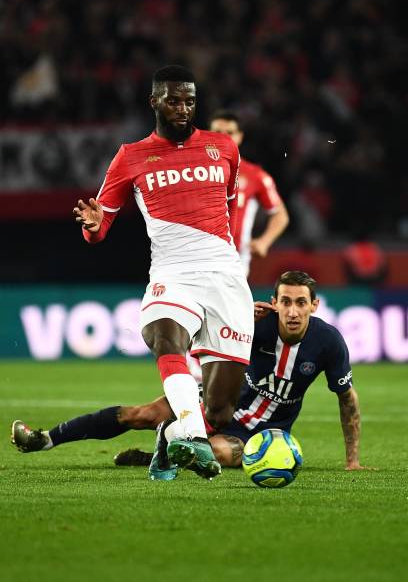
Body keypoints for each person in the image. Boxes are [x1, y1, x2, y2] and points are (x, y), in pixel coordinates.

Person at [71, 65, 254, 480]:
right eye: (173, 99)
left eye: (190, 100)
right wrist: (93, 226)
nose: (183, 108)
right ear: (154, 101)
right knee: (163, 335)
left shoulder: (223, 148)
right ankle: (191, 437)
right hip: (172, 271)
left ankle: (171, 440)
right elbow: (101, 226)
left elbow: (229, 207)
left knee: (222, 411)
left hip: (225, 276)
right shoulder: (130, 156)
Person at [11, 271, 371, 473]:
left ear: (314, 305)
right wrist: (239, 315)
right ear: (274, 302)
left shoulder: (328, 342)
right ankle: (45, 438)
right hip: (218, 403)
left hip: (260, 432)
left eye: (301, 303)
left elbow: (347, 399)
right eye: (286, 302)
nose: (293, 311)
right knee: (140, 414)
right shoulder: (252, 324)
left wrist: (352, 461)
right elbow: (199, 334)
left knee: (218, 452)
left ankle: (163, 449)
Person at [209, 110, 289, 276]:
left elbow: (280, 214)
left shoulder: (255, 175)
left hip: (234, 261)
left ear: (240, 137)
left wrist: (264, 242)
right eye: (217, 132)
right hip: (195, 258)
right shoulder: (191, 172)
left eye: (230, 132)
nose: (223, 137)